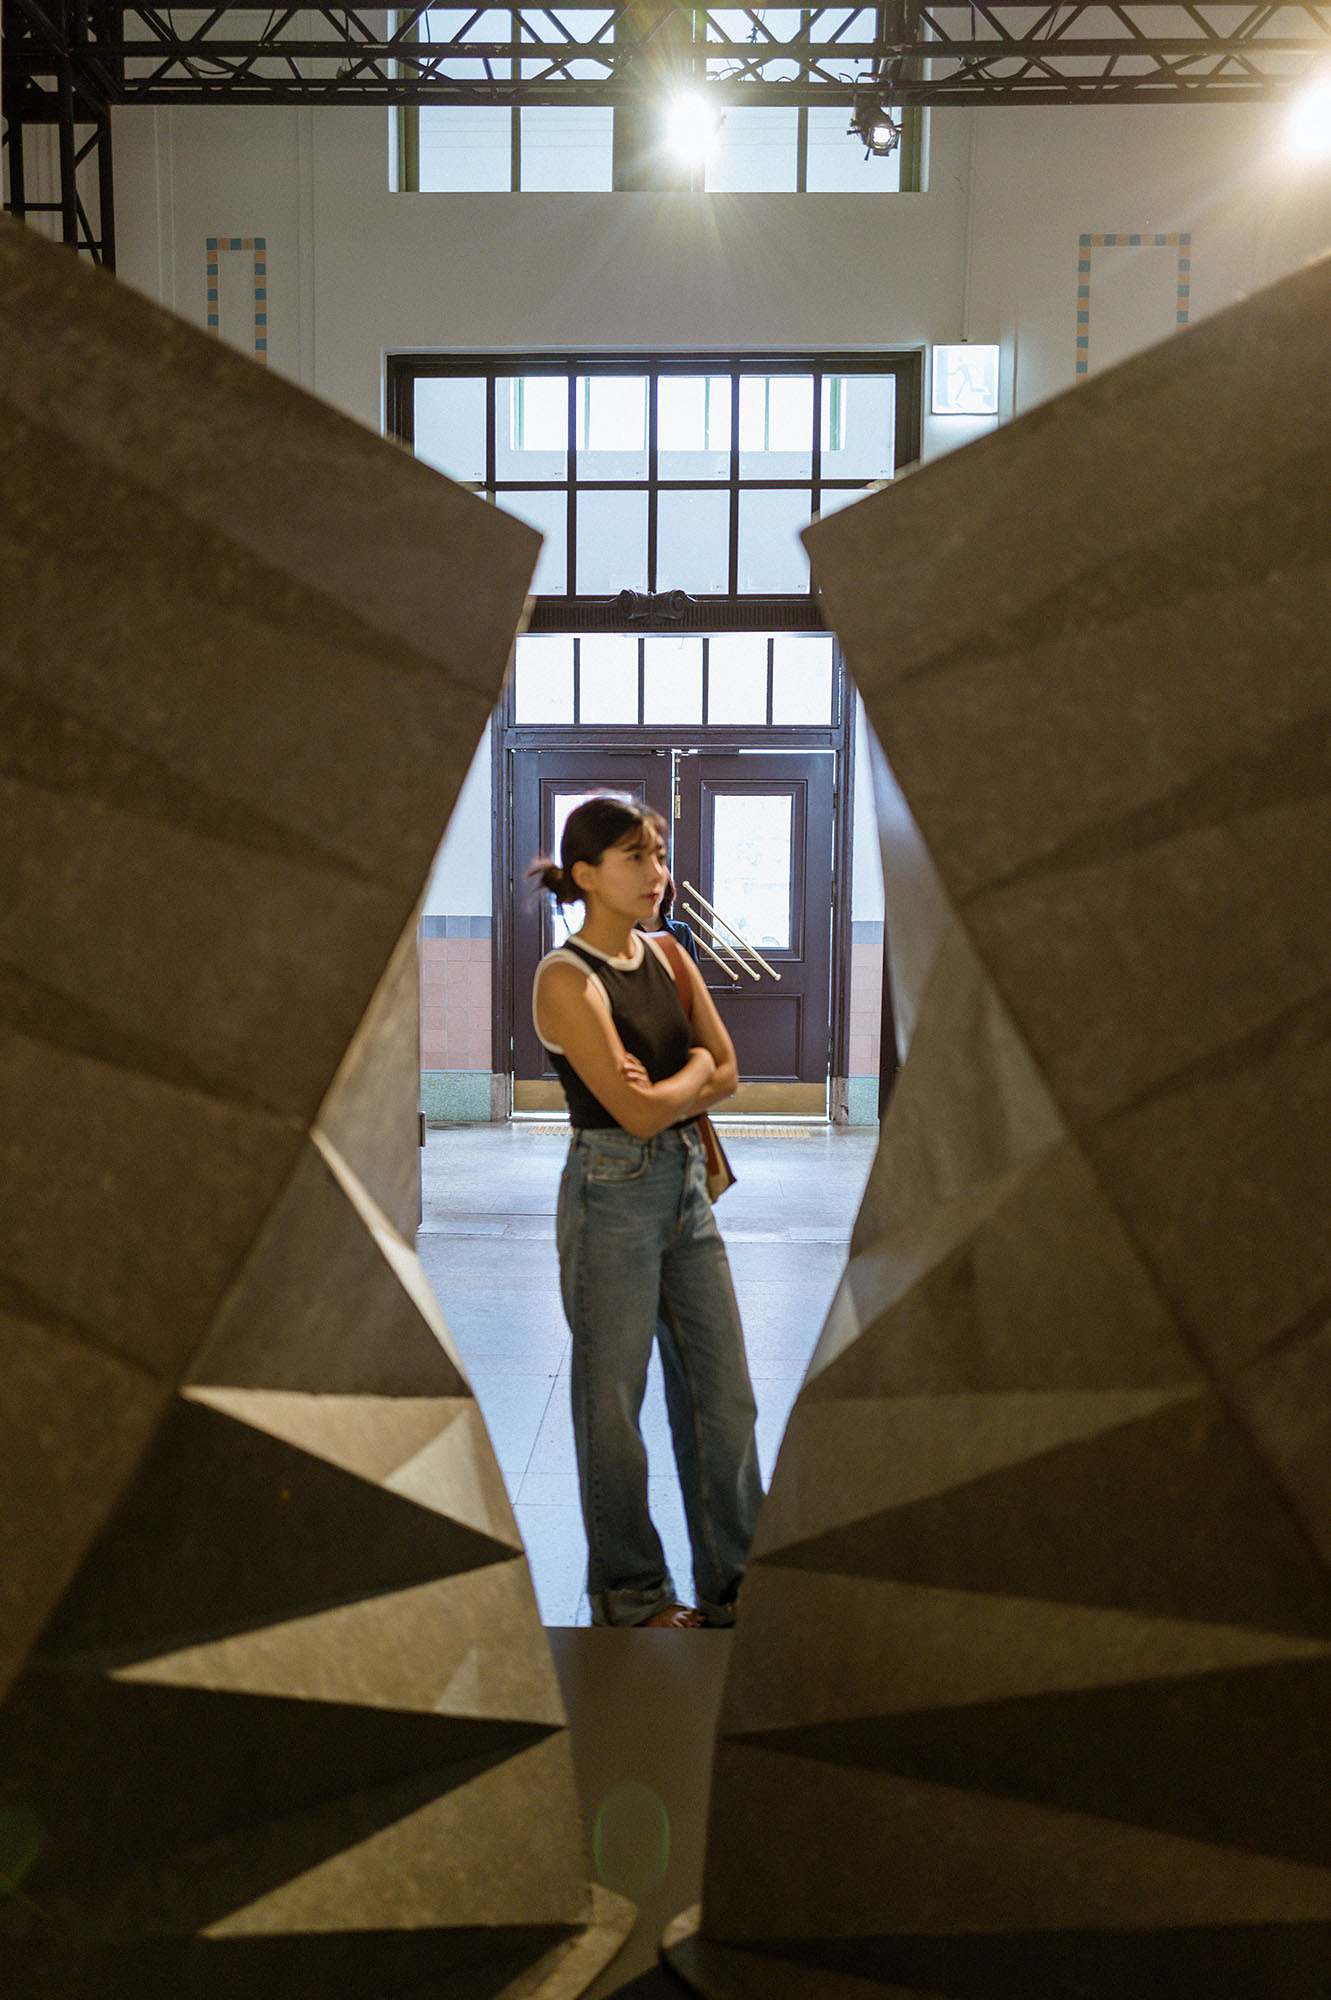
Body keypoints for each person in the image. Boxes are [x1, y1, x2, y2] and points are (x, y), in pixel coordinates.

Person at [530, 797, 763, 1629]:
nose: (656, 873)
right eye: (635, 857)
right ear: (586, 875)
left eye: (658, 854)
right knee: (613, 1408)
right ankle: (632, 1596)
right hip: (610, 1192)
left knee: (724, 1399)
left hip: (686, 1189)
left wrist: (678, 1082)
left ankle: (733, 1588)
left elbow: (731, 1069)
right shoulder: (565, 978)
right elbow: (632, 1114)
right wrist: (691, 1073)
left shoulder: (668, 955)